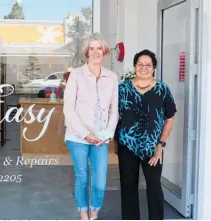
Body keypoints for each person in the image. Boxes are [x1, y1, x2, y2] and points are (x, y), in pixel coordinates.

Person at [63, 33, 119, 220]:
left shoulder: (112, 77)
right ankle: (84, 214)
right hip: (77, 136)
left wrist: (107, 134)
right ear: (87, 52)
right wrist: (86, 134)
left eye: (99, 48)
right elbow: (68, 109)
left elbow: (114, 110)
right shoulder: (76, 75)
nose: (96, 52)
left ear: (105, 51)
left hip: (101, 138)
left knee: (100, 182)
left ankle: (95, 211)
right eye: (92, 48)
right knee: (82, 178)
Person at [116, 49, 177, 220]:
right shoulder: (122, 89)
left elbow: (170, 119)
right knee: (128, 187)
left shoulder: (163, 89)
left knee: (154, 187)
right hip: (127, 146)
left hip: (153, 147)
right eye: (140, 64)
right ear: (135, 66)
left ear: (154, 67)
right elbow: (114, 116)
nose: (144, 68)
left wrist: (160, 146)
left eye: (148, 65)